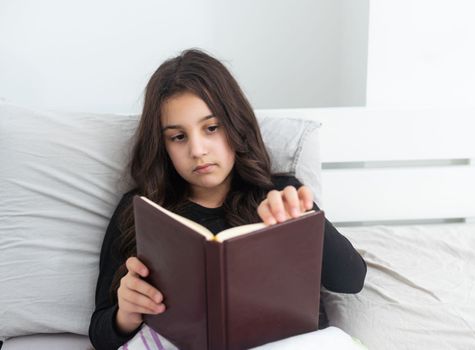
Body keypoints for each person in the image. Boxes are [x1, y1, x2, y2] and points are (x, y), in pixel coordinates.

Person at [88, 48, 367, 350]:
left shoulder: (279, 195)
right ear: (163, 145)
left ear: (235, 125)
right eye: (178, 137)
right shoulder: (140, 212)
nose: (197, 150)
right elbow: (100, 332)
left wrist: (303, 224)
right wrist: (125, 315)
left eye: (211, 128)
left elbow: (351, 280)